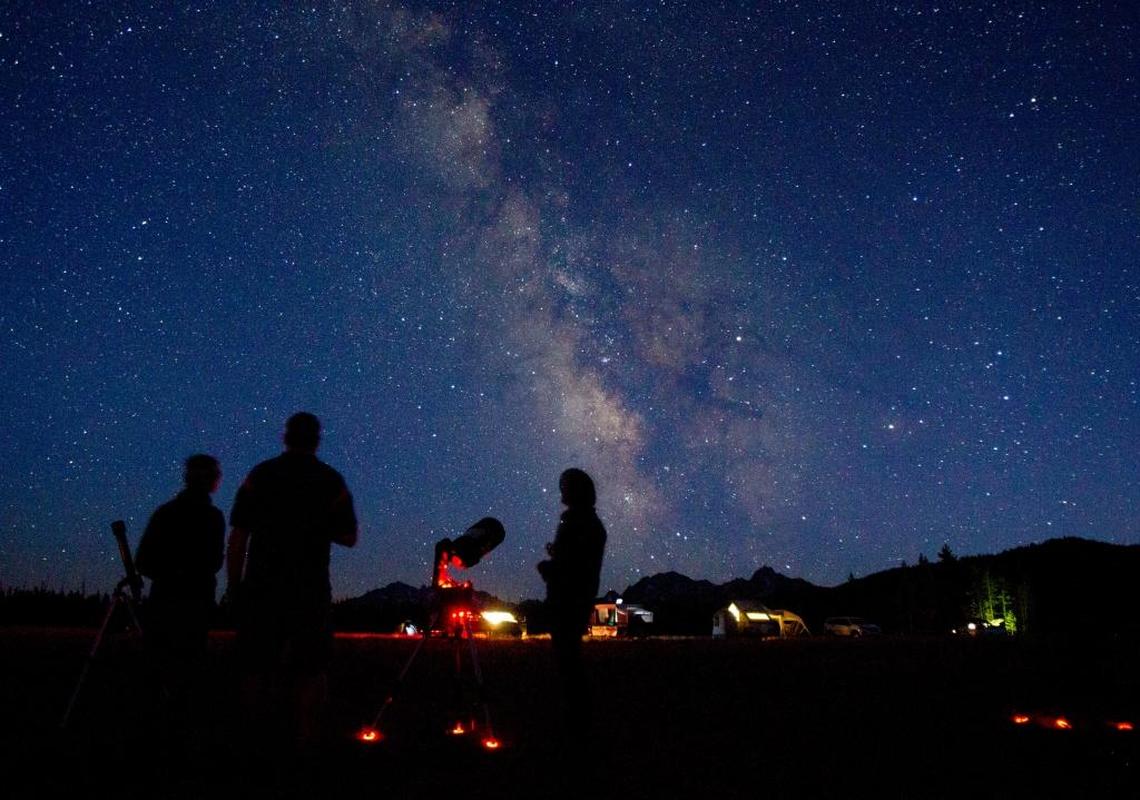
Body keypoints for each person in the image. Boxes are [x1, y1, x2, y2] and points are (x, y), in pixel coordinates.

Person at [226, 412, 358, 754]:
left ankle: (250, 741)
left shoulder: (261, 476)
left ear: (285, 437)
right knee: (311, 668)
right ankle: (305, 742)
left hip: (261, 586)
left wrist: (233, 585)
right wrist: (315, 525)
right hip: (309, 589)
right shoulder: (330, 481)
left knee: (255, 665)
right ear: (317, 439)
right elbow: (349, 536)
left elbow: (239, 535)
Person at [134, 453, 225, 762]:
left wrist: (170, 572)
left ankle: (148, 742)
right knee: (187, 679)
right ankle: (181, 746)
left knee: (154, 675)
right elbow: (213, 562)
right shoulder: (213, 519)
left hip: (163, 605)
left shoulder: (165, 514)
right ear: (213, 481)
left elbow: (144, 561)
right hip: (194, 609)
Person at [537, 468, 607, 744]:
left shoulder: (576, 522)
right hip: (577, 601)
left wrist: (548, 568)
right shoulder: (591, 523)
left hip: (567, 602)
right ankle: (578, 722)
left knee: (568, 664)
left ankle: (577, 726)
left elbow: (572, 568)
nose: (561, 493)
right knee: (570, 662)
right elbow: (580, 561)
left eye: (565, 488)